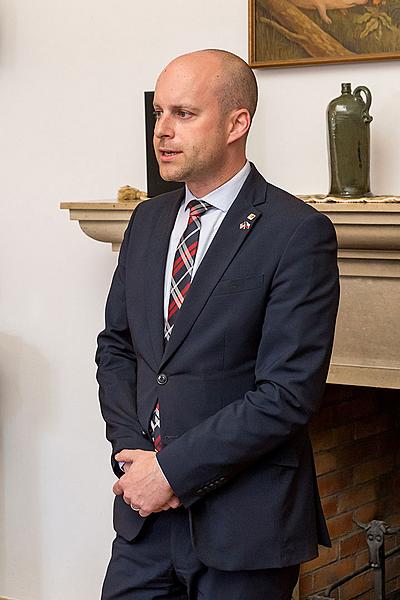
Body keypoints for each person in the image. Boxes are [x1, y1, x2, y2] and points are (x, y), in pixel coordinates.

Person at [96, 49, 340, 600]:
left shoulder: (297, 233)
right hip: (144, 522)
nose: (163, 131)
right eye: (158, 114)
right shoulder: (146, 220)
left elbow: (287, 393)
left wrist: (172, 472)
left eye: (183, 114)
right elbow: (117, 348)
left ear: (237, 123)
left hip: (246, 527)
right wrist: (135, 459)